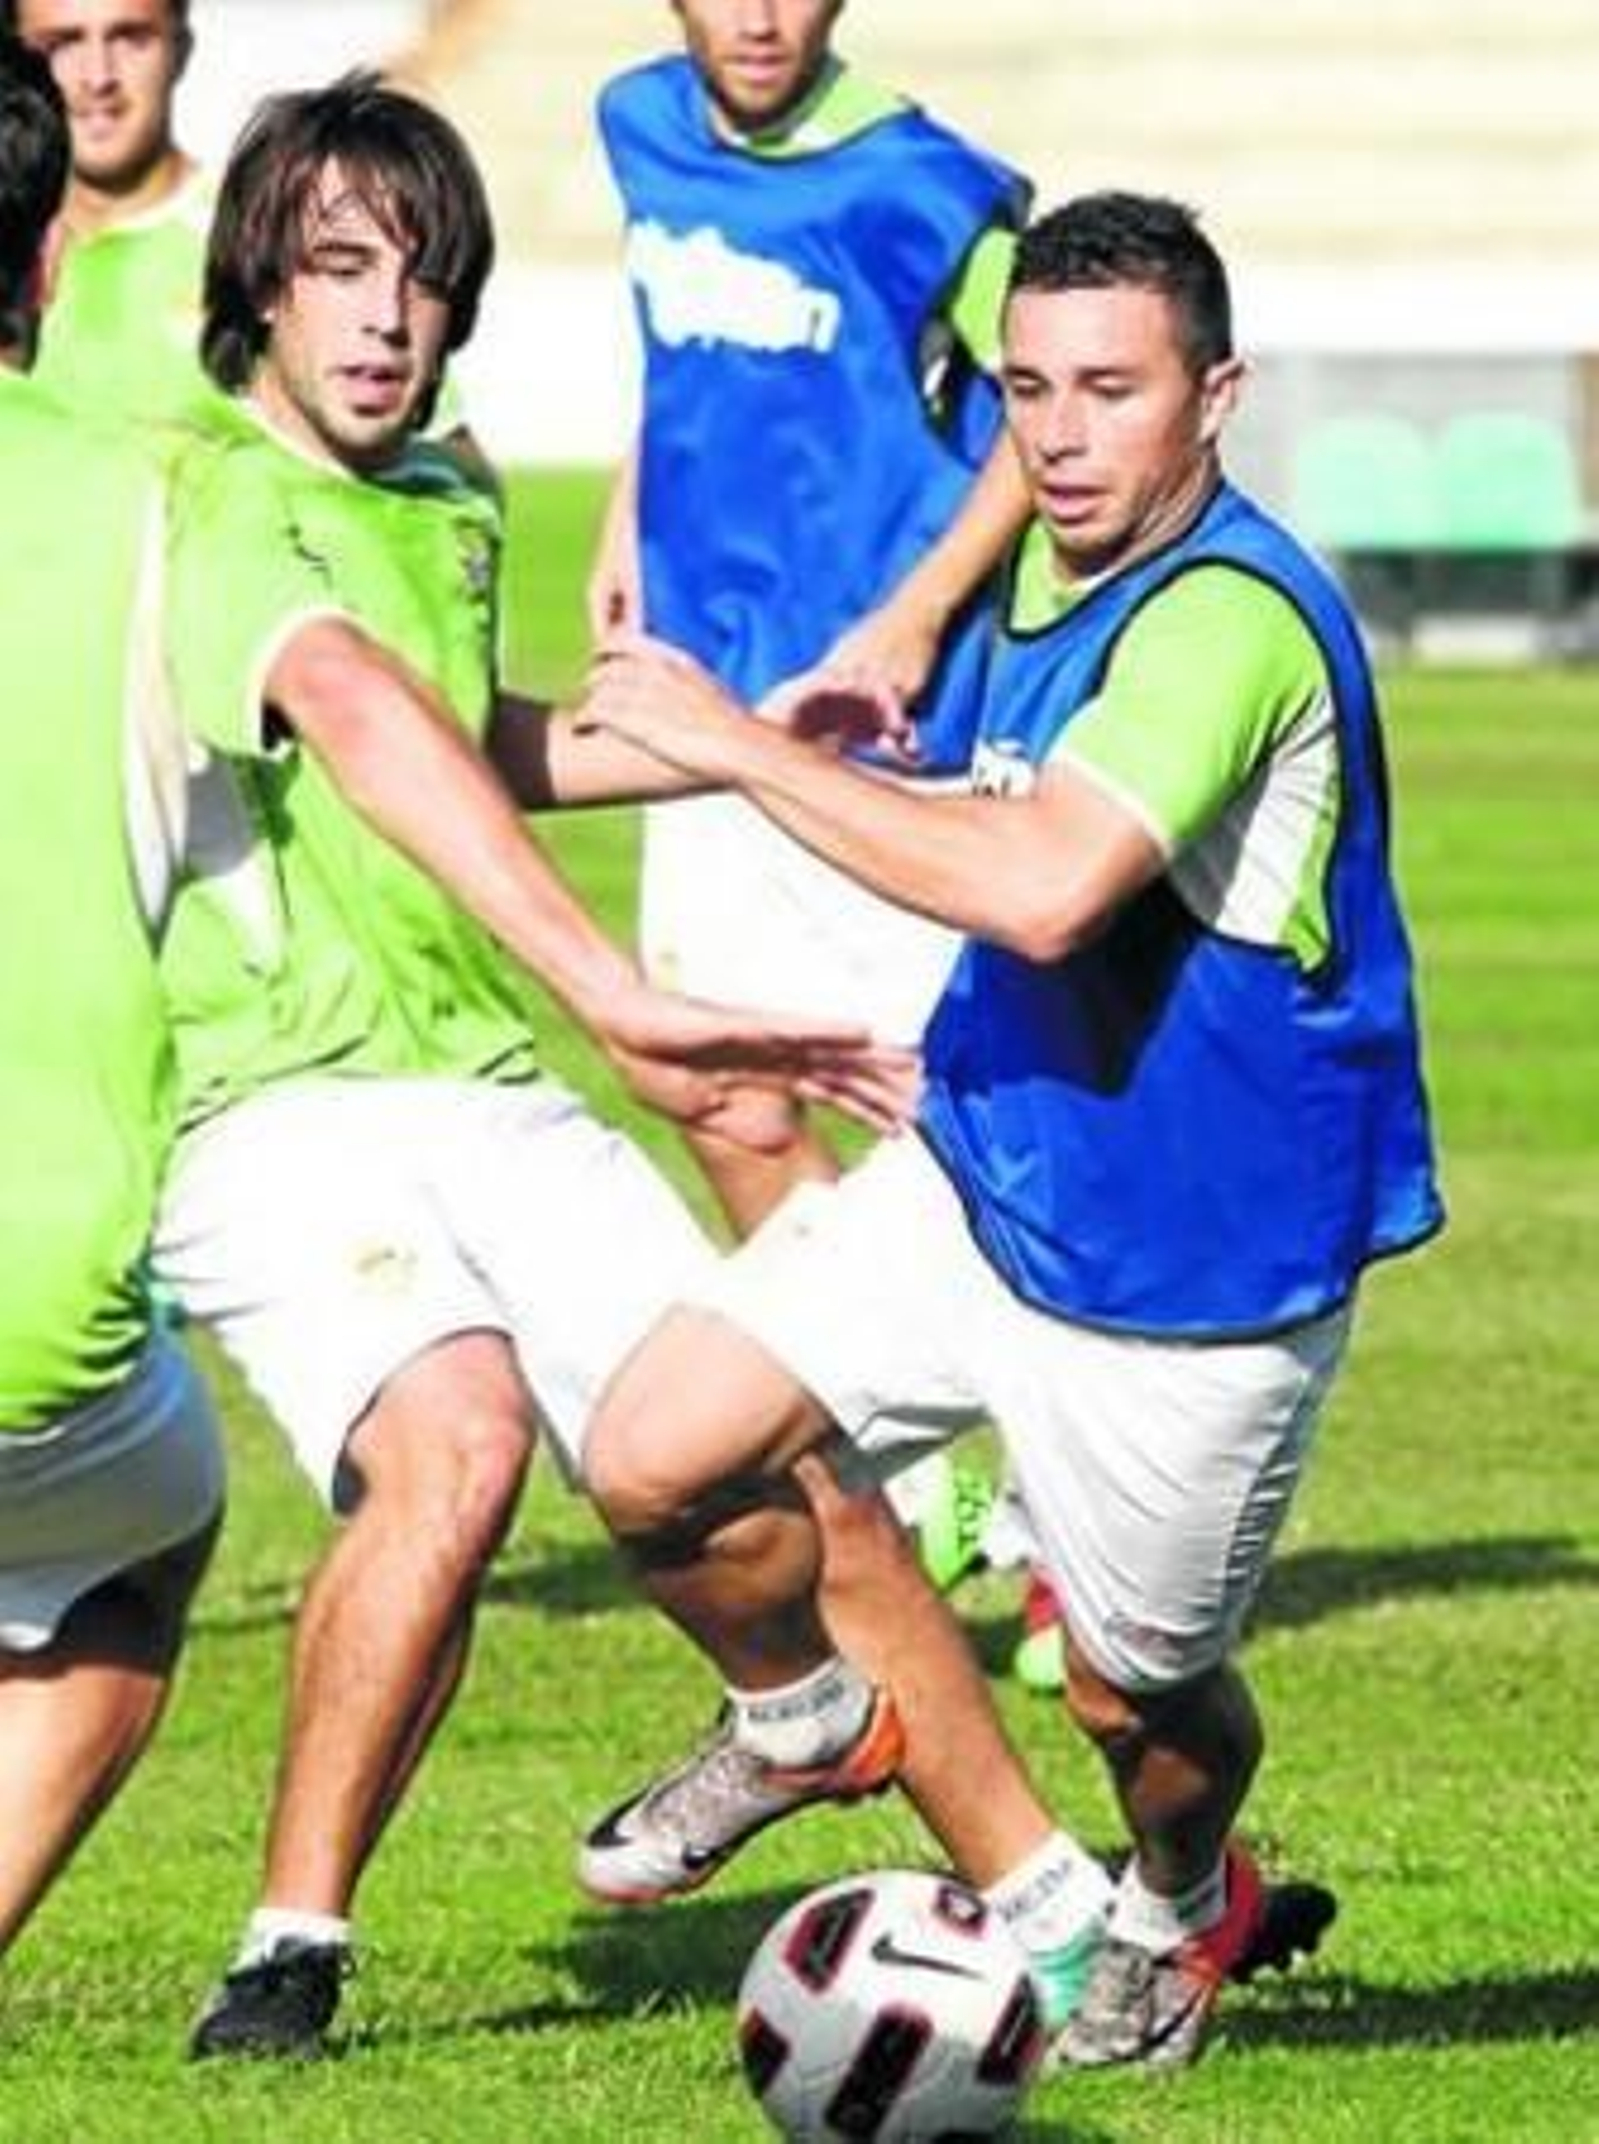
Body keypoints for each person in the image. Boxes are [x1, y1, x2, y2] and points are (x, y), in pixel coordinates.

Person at [577, 191, 1444, 2068]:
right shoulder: (1032, 579)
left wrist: (741, 747)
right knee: (654, 1456)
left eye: (1110, 390)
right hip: (981, 1176)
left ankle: (1181, 1890)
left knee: (1143, 1700)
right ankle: (804, 1716)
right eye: (1029, 388)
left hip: (1188, 1285)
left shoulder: (1229, 620)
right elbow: (874, 755)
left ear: (1217, 396)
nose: (1057, 433)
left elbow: (1046, 887)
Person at [150, 73, 915, 2061]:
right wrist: (613, 983)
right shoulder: (204, 491)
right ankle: (288, 1953)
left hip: (481, 1081)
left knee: (775, 1461)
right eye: (337, 271)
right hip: (271, 1104)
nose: (383, 319)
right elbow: (331, 692)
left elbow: (465, 745)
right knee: (462, 1442)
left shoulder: (453, 487)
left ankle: (881, 1779)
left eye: (420, 279)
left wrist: (750, 737)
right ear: (259, 283)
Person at [595, 0, 1033, 1585]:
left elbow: (1037, 410)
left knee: (949, 1118)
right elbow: (676, 359)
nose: (760, 14)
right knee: (721, 1087)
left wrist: (915, 615)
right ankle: (901, 1490)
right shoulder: (634, 123)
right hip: (699, 707)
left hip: (868, 734)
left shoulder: (925, 183)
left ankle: (1065, 1485)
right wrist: (627, 524)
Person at [0, 30, 224, 1970]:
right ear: (49, 267)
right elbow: (377, 732)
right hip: (41, 1311)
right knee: (146, 1545)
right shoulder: (162, 507)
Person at [3, 0, 220, 425]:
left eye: (131, 38)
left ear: (183, 49)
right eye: (62, 43)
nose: (98, 77)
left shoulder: (261, 243)